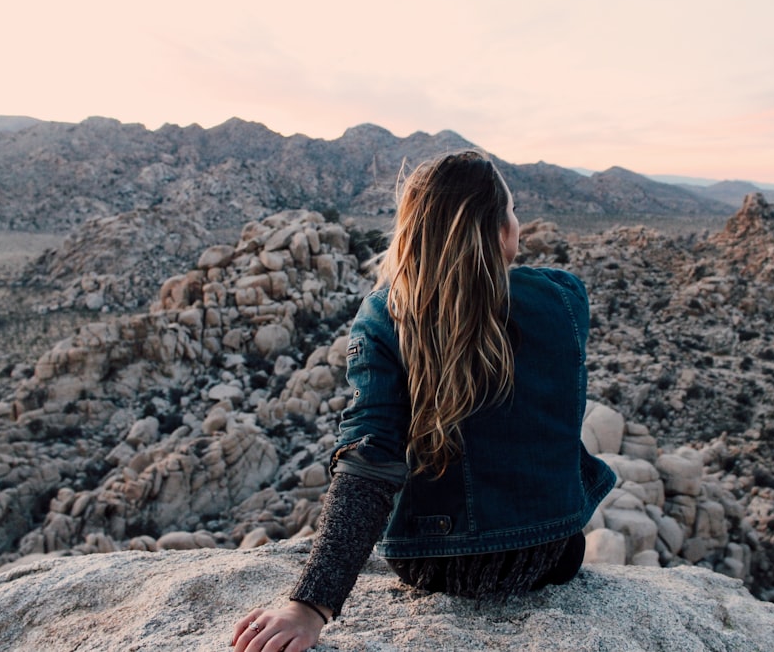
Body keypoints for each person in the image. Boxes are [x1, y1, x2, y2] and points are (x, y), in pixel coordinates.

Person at [232, 150, 616, 652]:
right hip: (549, 551)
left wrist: (310, 605)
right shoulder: (565, 296)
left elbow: (369, 457)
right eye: (513, 210)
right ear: (500, 230)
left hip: (430, 562)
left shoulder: (386, 314)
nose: (517, 222)